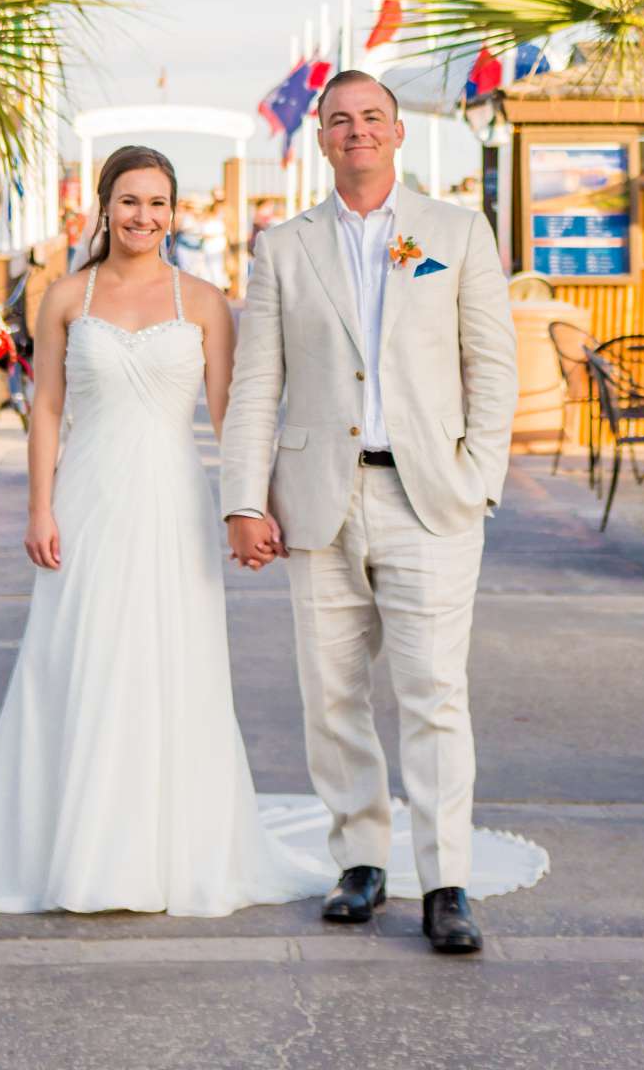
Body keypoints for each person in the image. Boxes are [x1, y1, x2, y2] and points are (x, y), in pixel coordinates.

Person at [0, 139, 543, 919]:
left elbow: (238, 412)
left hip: (175, 503)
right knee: (79, 662)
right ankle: (75, 844)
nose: (145, 216)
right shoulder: (66, 297)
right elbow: (47, 413)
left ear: (175, 213)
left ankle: (176, 845)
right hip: (91, 500)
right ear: (105, 208)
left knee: (174, 665)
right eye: (130, 201)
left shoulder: (208, 303)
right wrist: (40, 508)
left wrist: (251, 506)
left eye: (159, 203)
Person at [220, 69, 521, 955]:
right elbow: (255, 385)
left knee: (434, 695)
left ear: (397, 134)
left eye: (372, 119)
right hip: (317, 501)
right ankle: (360, 860)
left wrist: (481, 476)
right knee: (332, 693)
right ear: (322, 138)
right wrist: (243, 498)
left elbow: (493, 370)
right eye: (340, 120)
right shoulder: (282, 248)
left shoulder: (459, 233)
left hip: (431, 498)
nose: (357, 131)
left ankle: (447, 881)